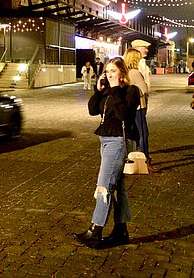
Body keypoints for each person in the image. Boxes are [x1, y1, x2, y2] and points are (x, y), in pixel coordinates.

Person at [74, 57, 140, 249]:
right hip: (105, 140)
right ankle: (121, 230)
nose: (110, 74)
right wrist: (99, 89)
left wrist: (117, 89)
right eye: (107, 71)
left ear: (122, 73)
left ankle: (95, 229)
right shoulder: (109, 92)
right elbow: (92, 110)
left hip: (119, 141)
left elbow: (124, 115)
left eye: (113, 71)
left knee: (104, 186)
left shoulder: (130, 91)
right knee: (118, 187)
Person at [123, 48, 158, 173]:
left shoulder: (124, 72)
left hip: (129, 108)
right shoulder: (134, 73)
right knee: (143, 133)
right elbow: (144, 89)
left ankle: (132, 158)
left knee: (132, 133)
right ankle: (145, 160)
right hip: (139, 107)